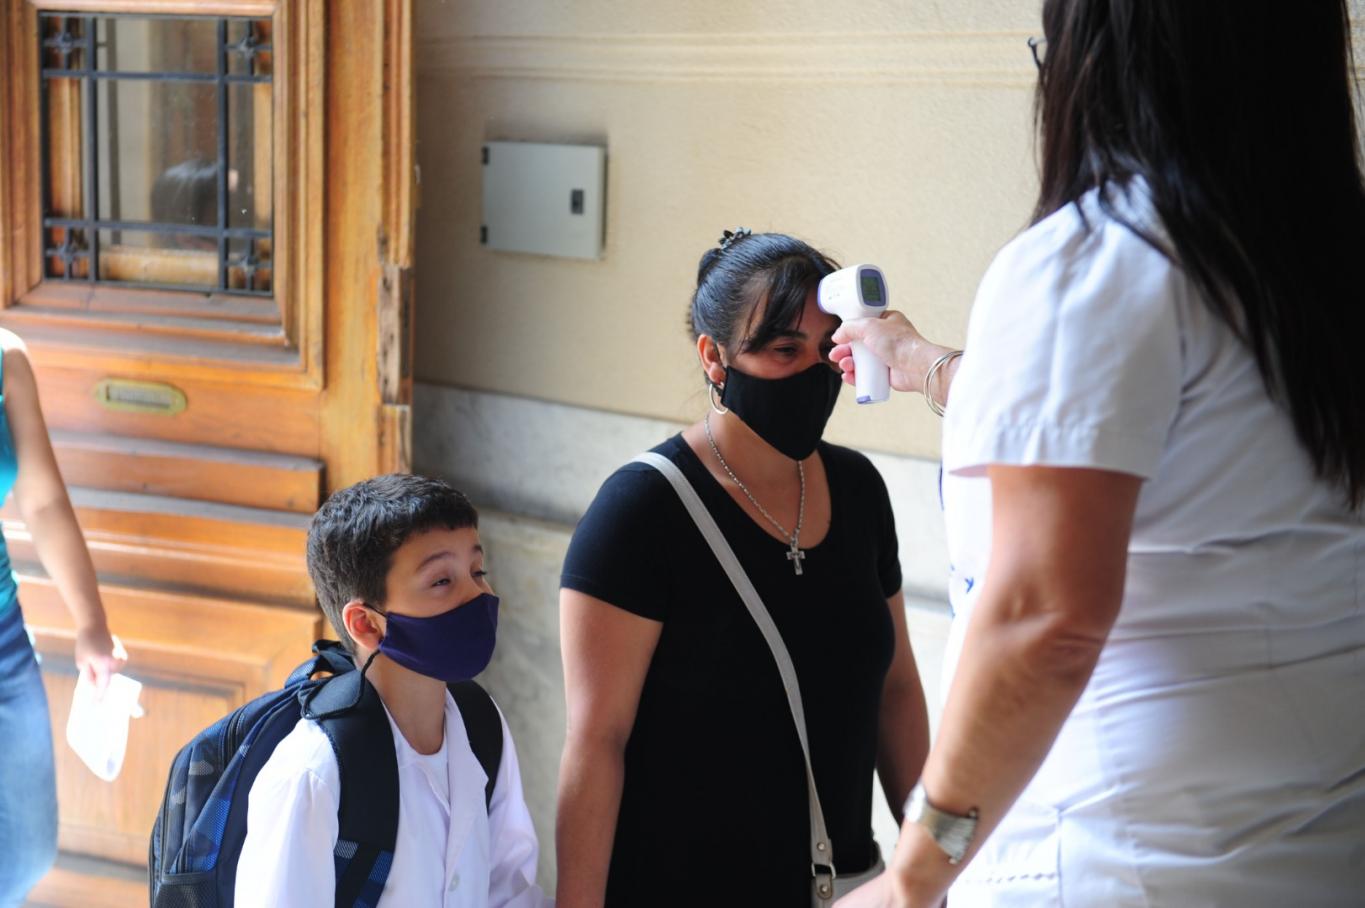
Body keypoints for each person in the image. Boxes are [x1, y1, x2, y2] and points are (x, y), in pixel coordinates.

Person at [830, 1, 1365, 905]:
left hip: (1118, 857)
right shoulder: (1315, 263)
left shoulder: (1094, 257)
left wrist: (912, 876)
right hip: (1314, 846)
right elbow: (1162, 429)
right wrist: (921, 363)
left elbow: (1047, 618)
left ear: (1105, 57)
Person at [556, 230, 931, 906]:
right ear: (714, 355)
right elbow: (595, 744)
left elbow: (896, 689)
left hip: (841, 887)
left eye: (826, 350)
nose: (812, 373)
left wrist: (935, 868)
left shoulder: (856, 488)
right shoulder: (640, 510)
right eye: (783, 350)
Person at [234, 474, 551, 907]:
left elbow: (509, 889)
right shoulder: (313, 773)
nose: (477, 595)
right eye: (442, 581)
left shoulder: (480, 722)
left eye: (478, 571)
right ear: (367, 623)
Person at [0, 329, 125, 906]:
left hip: (3, 641)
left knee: (24, 850)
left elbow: (42, 501)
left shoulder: (6, 360)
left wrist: (90, 622)